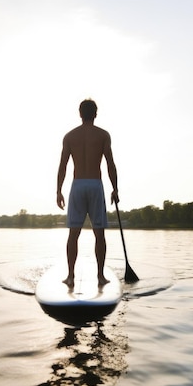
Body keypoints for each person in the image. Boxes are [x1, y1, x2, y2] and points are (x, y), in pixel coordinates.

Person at [56, 99, 119, 289]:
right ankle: (100, 277)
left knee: (73, 234)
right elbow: (110, 163)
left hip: (77, 185)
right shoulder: (103, 135)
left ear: (80, 113)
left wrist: (58, 190)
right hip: (95, 184)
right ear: (96, 114)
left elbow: (63, 166)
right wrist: (115, 188)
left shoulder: (69, 136)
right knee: (99, 234)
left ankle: (70, 277)